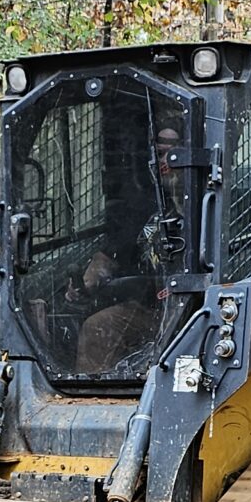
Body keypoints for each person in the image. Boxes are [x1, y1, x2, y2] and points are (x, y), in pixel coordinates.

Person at [73, 121, 188, 373]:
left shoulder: (208, 201)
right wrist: (84, 285)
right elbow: (113, 253)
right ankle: (95, 399)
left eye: (171, 152)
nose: (165, 161)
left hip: (196, 308)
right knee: (96, 327)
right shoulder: (147, 206)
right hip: (152, 309)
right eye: (157, 154)